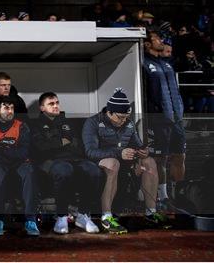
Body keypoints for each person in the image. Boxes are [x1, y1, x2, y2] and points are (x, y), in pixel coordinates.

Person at [82, 88, 165, 235]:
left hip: (122, 159)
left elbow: (137, 145)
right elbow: (90, 152)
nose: (124, 120)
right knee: (114, 163)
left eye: (126, 117)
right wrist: (119, 152)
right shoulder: (93, 122)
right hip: (98, 161)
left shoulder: (128, 123)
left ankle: (151, 212)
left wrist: (142, 152)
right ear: (110, 112)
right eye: (120, 117)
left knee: (149, 161)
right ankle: (107, 217)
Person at [32, 92, 101, 234]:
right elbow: (40, 147)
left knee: (93, 170)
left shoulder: (67, 123)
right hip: (50, 161)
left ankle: (83, 215)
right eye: (51, 104)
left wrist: (56, 144)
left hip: (75, 158)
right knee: (64, 170)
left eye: (57, 103)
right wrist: (61, 142)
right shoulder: (36, 124)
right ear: (42, 107)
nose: (55, 106)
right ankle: (62, 216)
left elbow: (77, 144)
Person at [0, 96, 40, 236]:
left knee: (29, 171)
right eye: (6, 108)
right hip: (1, 163)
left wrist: (3, 150)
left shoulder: (22, 126)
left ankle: (31, 220)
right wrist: (9, 152)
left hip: (19, 162)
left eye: (11, 108)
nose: (10, 111)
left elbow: (24, 152)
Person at [143, 30, 186, 207]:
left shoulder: (166, 64)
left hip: (176, 119)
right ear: (147, 44)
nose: (161, 41)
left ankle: (179, 193)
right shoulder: (144, 64)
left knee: (179, 157)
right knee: (161, 159)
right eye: (157, 38)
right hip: (159, 121)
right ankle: (163, 196)